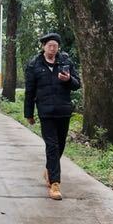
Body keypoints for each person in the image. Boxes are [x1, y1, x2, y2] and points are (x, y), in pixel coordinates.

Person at [24, 32, 81, 200]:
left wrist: (68, 79)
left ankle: (49, 169)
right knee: (52, 146)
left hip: (63, 111)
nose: (52, 48)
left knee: (60, 145)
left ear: (58, 47)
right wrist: (29, 113)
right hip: (46, 112)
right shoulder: (34, 65)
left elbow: (77, 85)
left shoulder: (65, 62)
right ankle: (55, 184)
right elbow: (30, 91)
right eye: (49, 45)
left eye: (55, 46)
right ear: (43, 47)